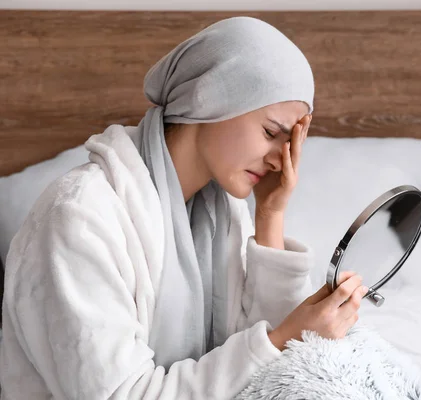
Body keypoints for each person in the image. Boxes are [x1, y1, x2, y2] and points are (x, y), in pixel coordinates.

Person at [0, 16, 368, 399]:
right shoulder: (79, 217)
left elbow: (274, 378)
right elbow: (121, 394)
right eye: (271, 132)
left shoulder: (218, 212)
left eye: (290, 142)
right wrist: (279, 341)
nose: (280, 160)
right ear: (208, 99)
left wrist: (270, 216)